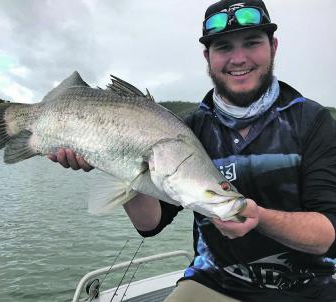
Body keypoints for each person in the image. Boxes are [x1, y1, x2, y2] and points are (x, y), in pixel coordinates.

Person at [50, 0, 336, 300]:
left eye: (251, 43)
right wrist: (112, 157)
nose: (238, 58)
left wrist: (260, 218)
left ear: (273, 47)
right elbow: (150, 224)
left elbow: (329, 234)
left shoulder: (312, 122)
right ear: (207, 56)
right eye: (223, 47)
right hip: (213, 280)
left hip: (309, 289)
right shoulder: (187, 130)